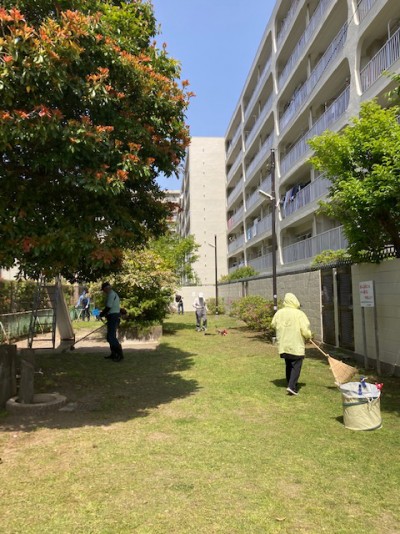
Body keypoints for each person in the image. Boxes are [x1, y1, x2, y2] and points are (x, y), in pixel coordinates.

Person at [271, 292, 312, 396]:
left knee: (288, 364)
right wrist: (308, 336)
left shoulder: (279, 313)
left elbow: (273, 324)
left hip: (284, 345)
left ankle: (289, 383)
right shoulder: (299, 314)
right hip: (296, 345)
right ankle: (292, 387)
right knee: (296, 365)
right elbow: (305, 330)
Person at [99, 282, 123, 362]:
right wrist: (102, 314)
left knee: (111, 337)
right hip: (112, 316)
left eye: (103, 290)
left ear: (107, 288)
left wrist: (101, 315)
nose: (103, 291)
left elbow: (108, 307)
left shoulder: (111, 294)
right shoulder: (111, 294)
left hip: (113, 317)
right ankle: (113, 354)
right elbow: (108, 308)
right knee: (110, 337)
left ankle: (119, 354)